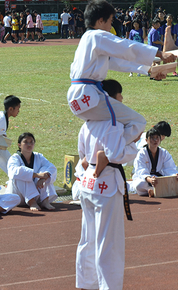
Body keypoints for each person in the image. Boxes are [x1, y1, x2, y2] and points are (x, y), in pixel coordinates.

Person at [67, 0, 174, 156]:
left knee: (105, 124)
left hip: (79, 96)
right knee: (137, 122)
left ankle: (95, 155)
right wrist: (159, 53)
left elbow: (117, 62)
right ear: (100, 20)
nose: (111, 26)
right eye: (110, 21)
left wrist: (149, 70)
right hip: (88, 95)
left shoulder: (88, 39)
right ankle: (110, 151)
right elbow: (126, 47)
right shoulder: (97, 36)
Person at [75, 119, 136, 290]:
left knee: (88, 237)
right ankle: (109, 287)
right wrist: (132, 146)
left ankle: (86, 283)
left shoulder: (87, 124)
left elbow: (82, 154)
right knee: (109, 242)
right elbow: (117, 154)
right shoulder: (114, 123)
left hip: (88, 182)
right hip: (107, 181)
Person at [6, 132, 57, 211]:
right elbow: (13, 171)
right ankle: (31, 201)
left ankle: (45, 200)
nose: (29, 144)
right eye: (25, 142)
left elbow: (52, 167)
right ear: (19, 145)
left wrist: (43, 178)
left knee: (46, 171)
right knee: (22, 173)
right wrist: (37, 175)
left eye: (31, 142)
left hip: (37, 193)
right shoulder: (14, 158)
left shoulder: (39, 156)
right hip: (18, 196)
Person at [130, 128, 178, 197]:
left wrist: (175, 176)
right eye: (152, 138)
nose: (155, 140)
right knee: (139, 184)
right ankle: (155, 190)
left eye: (157, 138)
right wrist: (150, 179)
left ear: (160, 140)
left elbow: (170, 169)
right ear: (146, 140)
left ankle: (155, 191)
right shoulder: (142, 154)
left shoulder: (164, 153)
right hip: (146, 179)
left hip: (158, 179)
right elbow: (141, 170)